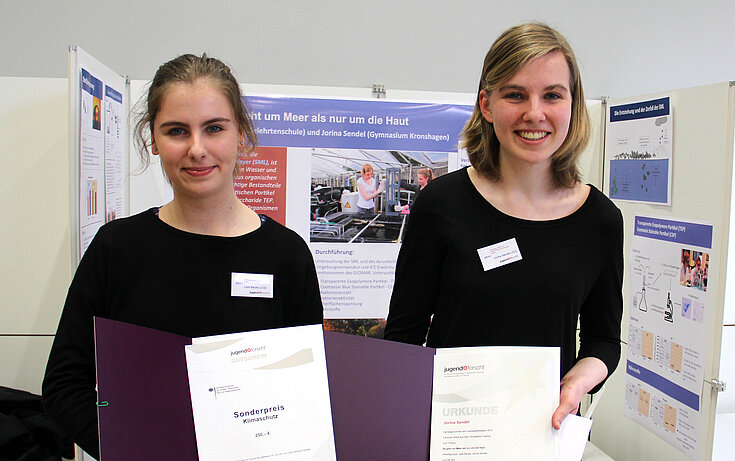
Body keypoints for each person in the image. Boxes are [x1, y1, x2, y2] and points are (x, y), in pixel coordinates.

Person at [42, 54, 323, 459]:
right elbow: (65, 386)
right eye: (177, 131)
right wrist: (135, 449)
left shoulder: (285, 254)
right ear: (153, 141)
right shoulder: (117, 249)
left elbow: (307, 388)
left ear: (241, 134)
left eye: (214, 129)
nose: (197, 149)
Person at [383, 23, 623, 430]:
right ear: (487, 105)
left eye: (552, 95)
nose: (535, 113)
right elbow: (404, 338)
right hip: (453, 435)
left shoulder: (598, 219)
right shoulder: (441, 205)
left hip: (544, 431)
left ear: (572, 105)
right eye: (515, 94)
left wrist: (579, 380)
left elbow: (604, 341)